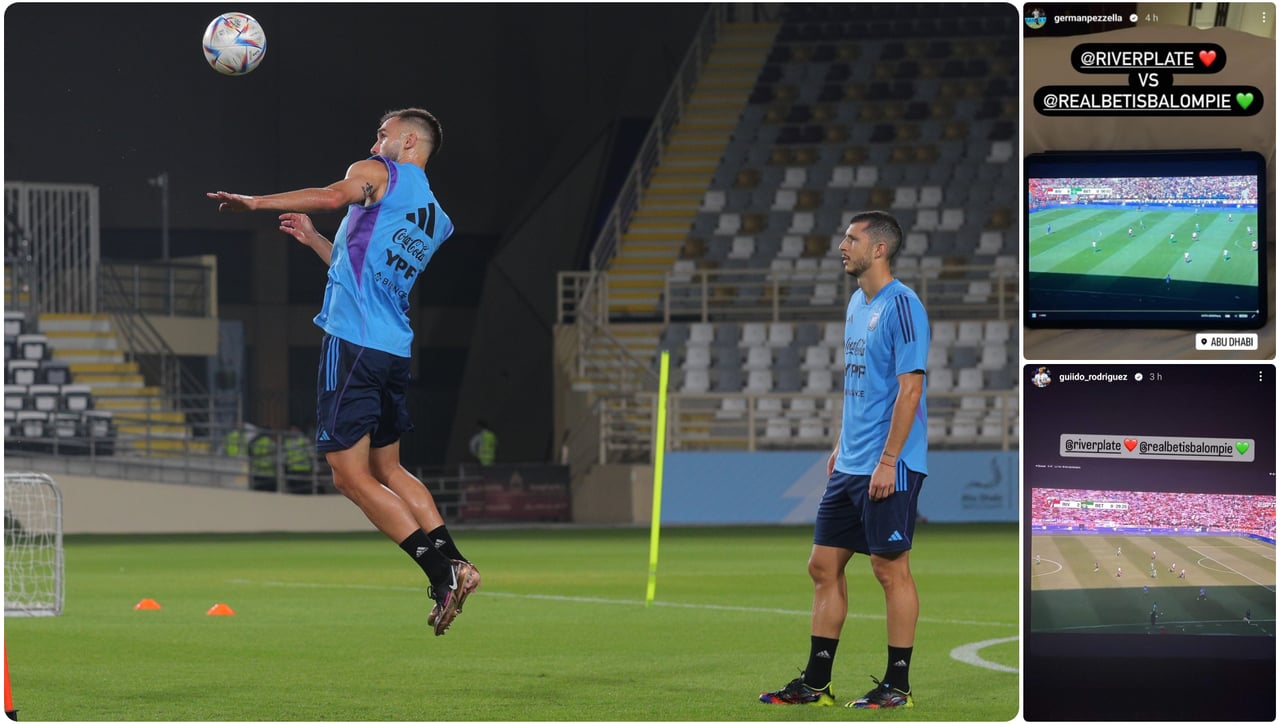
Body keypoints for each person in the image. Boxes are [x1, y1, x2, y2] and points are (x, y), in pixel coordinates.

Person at [208, 108, 479, 635]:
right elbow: (364, 273)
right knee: (390, 471)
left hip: (352, 346)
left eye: (382, 134)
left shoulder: (381, 172)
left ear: (407, 139)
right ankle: (458, 561)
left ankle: (440, 574)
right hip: (392, 349)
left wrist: (255, 202)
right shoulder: (435, 217)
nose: (374, 143)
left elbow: (334, 196)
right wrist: (313, 240)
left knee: (349, 477)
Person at [760, 211, 928, 710]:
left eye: (852, 239)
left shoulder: (903, 305)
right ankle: (816, 684)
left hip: (889, 464)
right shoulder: (857, 302)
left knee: (888, 569)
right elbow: (860, 382)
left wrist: (887, 459)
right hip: (852, 460)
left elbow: (910, 388)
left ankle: (897, 686)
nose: (842, 245)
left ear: (879, 249)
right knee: (822, 565)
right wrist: (840, 443)